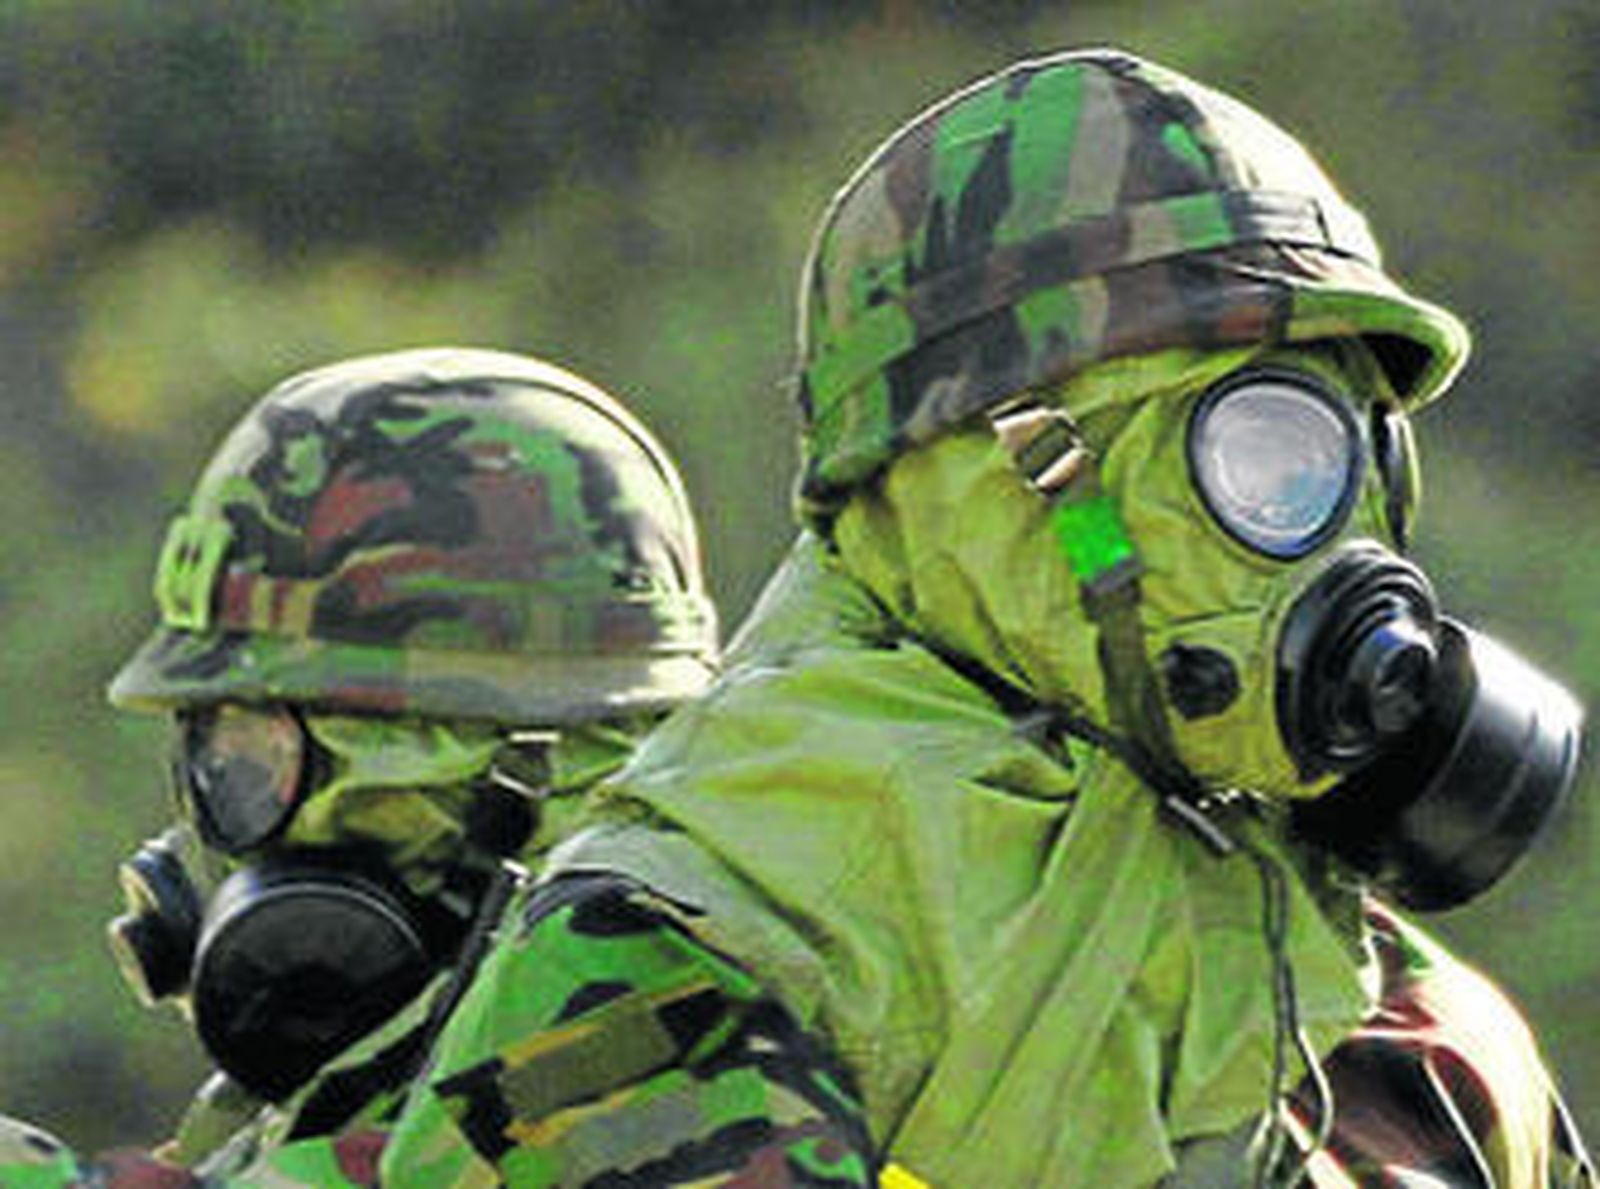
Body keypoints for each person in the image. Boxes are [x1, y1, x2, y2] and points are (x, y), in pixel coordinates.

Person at [377, 50, 1593, 1187]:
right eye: (1254, 457)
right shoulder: (675, 965)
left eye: (1354, 451)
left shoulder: (1416, 1030)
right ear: (1004, 489)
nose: (1330, 535)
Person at [0, 346, 719, 1184]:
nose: (213, 830)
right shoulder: (406, 1085)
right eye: (210, 751)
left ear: (517, 775)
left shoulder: (634, 1083)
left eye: (252, 753)